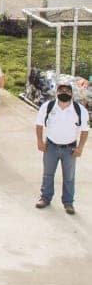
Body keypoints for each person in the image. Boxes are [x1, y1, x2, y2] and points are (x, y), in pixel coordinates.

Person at [35, 78, 89, 214]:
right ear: (56, 92)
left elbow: (84, 130)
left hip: (70, 149)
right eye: (61, 90)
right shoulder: (48, 107)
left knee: (69, 177)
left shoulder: (79, 110)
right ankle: (45, 198)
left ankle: (68, 203)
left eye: (67, 90)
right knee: (48, 174)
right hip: (51, 147)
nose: (64, 92)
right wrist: (40, 142)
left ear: (71, 93)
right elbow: (39, 124)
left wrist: (80, 147)